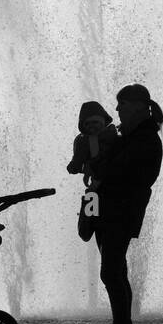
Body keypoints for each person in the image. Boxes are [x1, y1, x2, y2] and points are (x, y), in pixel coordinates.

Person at [91, 84, 163, 324]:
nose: (118, 110)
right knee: (115, 272)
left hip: (121, 213)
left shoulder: (144, 138)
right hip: (111, 211)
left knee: (111, 272)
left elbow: (121, 173)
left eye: (121, 105)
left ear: (135, 106)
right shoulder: (132, 136)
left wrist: (102, 165)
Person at [66, 102, 117, 242]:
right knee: (85, 232)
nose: (92, 126)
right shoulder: (84, 141)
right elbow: (74, 166)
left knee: (110, 242)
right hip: (94, 194)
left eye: (95, 122)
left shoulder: (115, 137)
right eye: (87, 124)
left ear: (104, 121)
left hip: (113, 196)